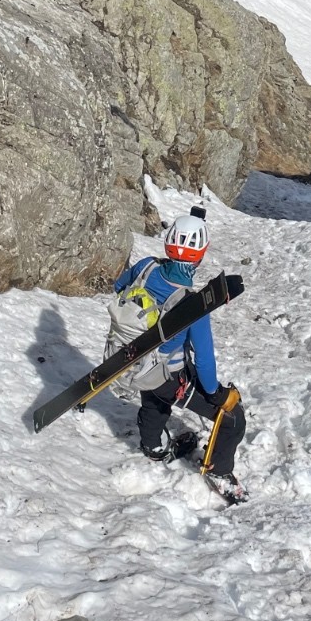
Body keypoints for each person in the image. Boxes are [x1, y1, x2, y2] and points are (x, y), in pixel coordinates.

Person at [111, 205, 247, 504]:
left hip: (132, 358)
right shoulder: (193, 305)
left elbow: (119, 287)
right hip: (168, 374)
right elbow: (205, 362)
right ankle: (220, 471)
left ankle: (152, 446)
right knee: (233, 418)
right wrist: (216, 395)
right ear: (201, 254)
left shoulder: (145, 267)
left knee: (154, 397)